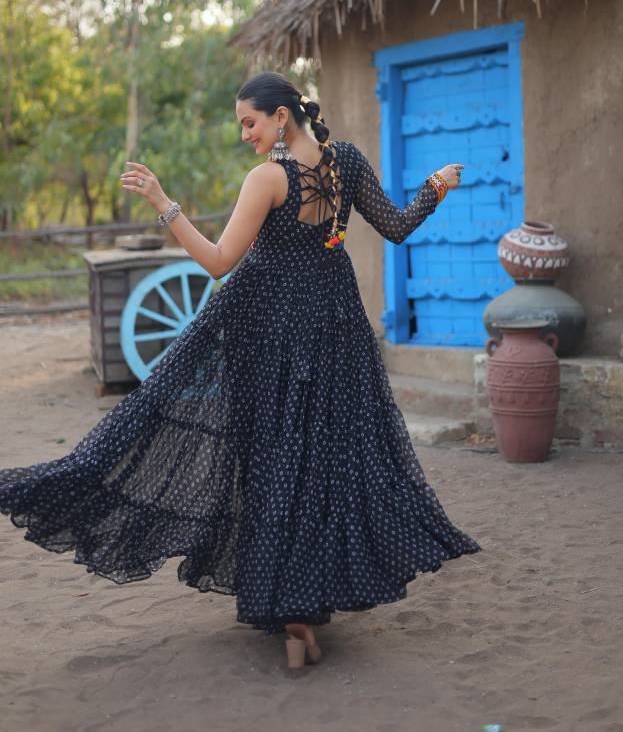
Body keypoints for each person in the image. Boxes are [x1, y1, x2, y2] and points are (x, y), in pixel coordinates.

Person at [0, 71, 481, 669]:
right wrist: (435, 186)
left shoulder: (268, 179)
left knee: (273, 462)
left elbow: (219, 261)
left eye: (249, 123)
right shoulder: (347, 161)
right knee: (318, 463)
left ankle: (293, 613)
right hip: (335, 330)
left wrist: (164, 204)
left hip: (269, 334)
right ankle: (301, 609)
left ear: (281, 116)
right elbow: (398, 226)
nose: (245, 135)